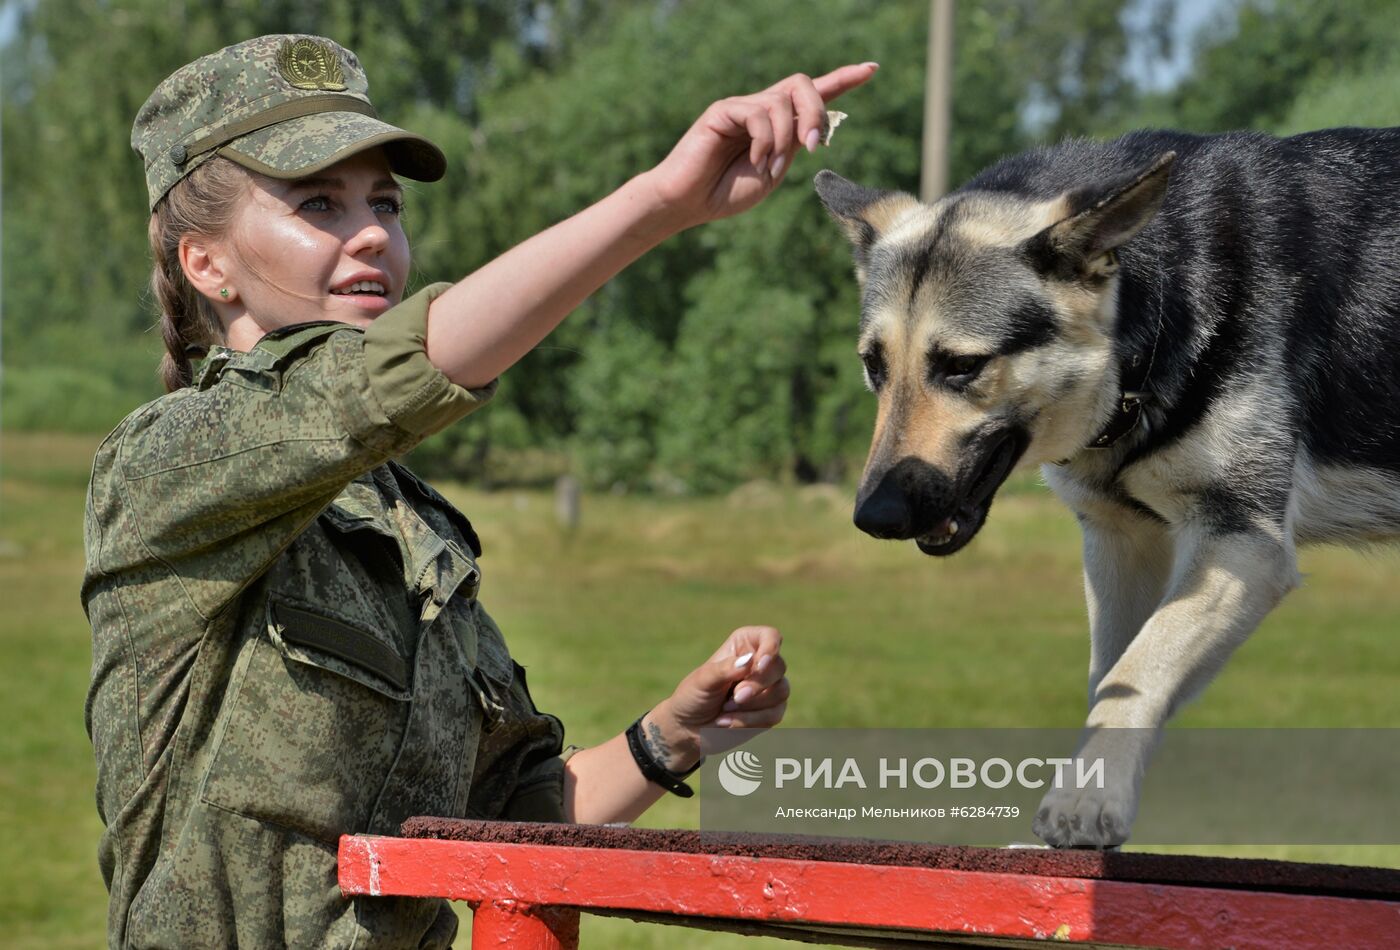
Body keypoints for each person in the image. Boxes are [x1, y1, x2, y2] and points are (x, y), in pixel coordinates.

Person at [81, 33, 875, 949]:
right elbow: (391, 375)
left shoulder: (407, 526)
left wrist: (674, 736)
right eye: (319, 203)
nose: (374, 230)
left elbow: (511, 822)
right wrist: (661, 202)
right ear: (205, 265)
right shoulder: (163, 466)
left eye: (384, 201)